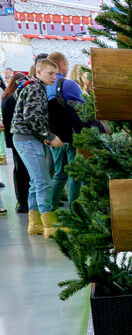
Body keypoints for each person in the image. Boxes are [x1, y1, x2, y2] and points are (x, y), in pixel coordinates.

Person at [10, 59, 63, 237]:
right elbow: (31, 116)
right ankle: (49, 225)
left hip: (26, 139)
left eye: (55, 74)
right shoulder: (34, 88)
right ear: (38, 72)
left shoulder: (31, 85)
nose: (54, 77)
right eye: (50, 73)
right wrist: (49, 136)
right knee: (43, 182)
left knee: (35, 183)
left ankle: (35, 224)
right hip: (28, 139)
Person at [45, 52, 85, 208]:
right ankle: (76, 212)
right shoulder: (69, 85)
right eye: (67, 65)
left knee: (59, 175)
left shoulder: (45, 86)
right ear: (61, 65)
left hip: (54, 138)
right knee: (76, 176)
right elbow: (84, 109)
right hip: (72, 137)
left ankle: (50, 208)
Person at [1, 74, 29, 215]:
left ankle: (22, 200)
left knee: (19, 168)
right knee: (22, 170)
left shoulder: (6, 98)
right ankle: (23, 201)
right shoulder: (14, 99)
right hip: (19, 138)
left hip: (12, 139)